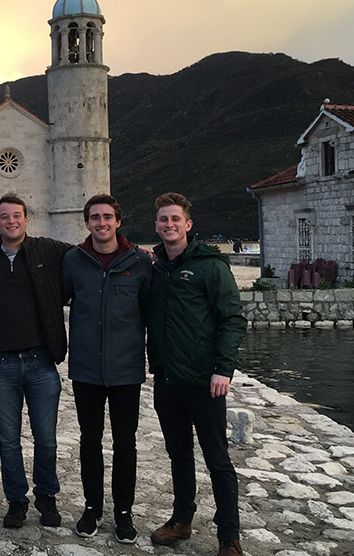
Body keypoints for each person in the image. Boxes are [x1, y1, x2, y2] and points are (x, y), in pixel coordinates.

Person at [147, 193, 245, 556]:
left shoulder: (210, 267)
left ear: (188, 225)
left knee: (217, 458)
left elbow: (232, 319)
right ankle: (181, 520)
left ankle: (229, 536)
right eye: (163, 220)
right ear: (156, 226)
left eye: (175, 219)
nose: (169, 225)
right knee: (179, 455)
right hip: (167, 380)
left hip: (205, 382)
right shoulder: (156, 268)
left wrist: (223, 369)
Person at [0, 194, 72, 529]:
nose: (11, 221)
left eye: (16, 216)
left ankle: (47, 497)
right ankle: (16, 501)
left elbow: (90, 252)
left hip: (41, 361)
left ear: (27, 219)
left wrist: (134, 251)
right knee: (8, 440)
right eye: (4, 217)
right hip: (0, 365)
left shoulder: (49, 250)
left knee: (46, 438)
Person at [62, 194, 151, 542]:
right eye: (95, 218)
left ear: (118, 221)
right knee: (90, 441)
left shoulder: (140, 263)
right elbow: (59, 297)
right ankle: (91, 508)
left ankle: (124, 513)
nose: (102, 223)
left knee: (125, 443)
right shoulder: (73, 260)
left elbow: (151, 310)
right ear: (87, 223)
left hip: (126, 369)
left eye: (108, 217)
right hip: (85, 368)